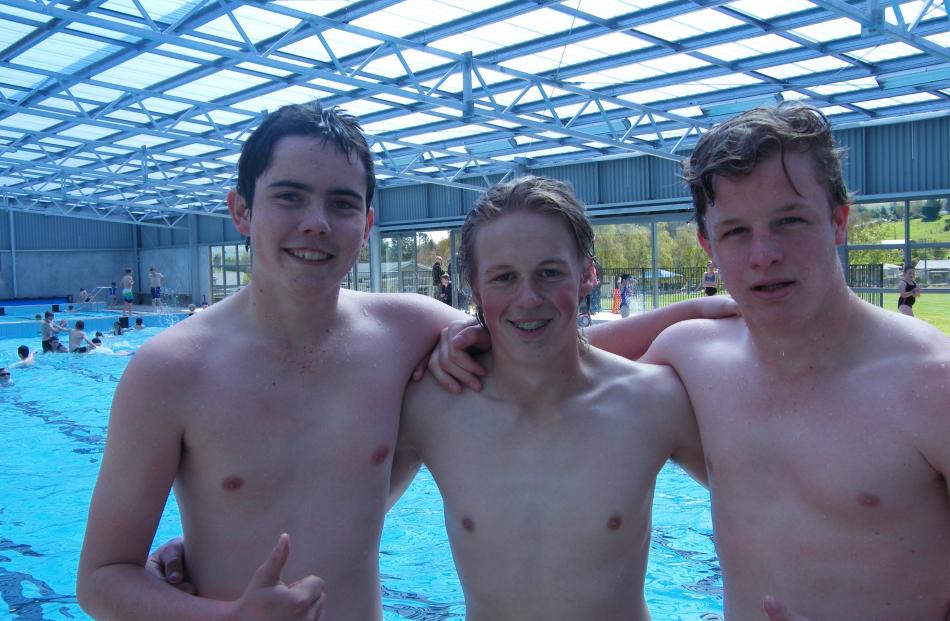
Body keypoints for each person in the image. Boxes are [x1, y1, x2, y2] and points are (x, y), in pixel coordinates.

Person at [82, 102, 731, 621]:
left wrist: (703, 313)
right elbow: (99, 578)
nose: (316, 222)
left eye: (340, 203)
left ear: (366, 225)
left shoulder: (405, 330)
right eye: (289, 197)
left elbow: (549, 348)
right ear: (240, 211)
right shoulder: (169, 371)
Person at [434, 103, 950, 620]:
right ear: (709, 244)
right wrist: (484, 333)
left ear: (839, 220)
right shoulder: (695, 362)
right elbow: (568, 370)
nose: (764, 253)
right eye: (736, 231)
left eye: (789, 221)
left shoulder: (931, 384)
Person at [390, 176, 707, 619]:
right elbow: (333, 526)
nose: (529, 298)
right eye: (504, 278)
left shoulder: (654, 402)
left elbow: (775, 511)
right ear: (475, 290)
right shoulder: (433, 408)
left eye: (549, 272)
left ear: (587, 274)